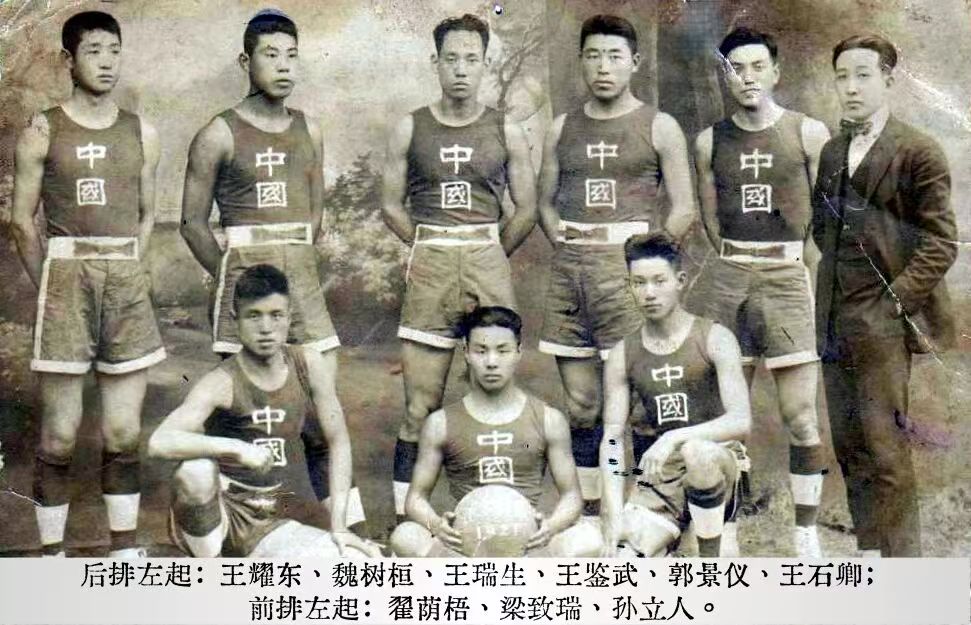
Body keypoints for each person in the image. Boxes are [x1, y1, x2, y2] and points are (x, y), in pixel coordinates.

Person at [178, 9, 364, 529]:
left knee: (319, 415)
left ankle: (349, 530)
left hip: (301, 286)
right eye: (270, 54)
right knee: (244, 415)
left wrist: (291, 267)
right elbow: (191, 224)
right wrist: (236, 284)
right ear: (246, 61)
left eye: (292, 55)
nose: (284, 66)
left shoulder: (310, 130)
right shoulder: (218, 133)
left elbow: (315, 216)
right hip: (246, 281)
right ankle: (223, 529)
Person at [11, 11, 166, 557]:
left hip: (123, 280)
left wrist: (132, 269)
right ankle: (52, 557)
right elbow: (20, 221)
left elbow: (148, 214)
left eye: (114, 50)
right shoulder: (43, 128)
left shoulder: (141, 130)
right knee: (60, 433)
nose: (107, 62)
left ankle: (122, 551)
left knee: (123, 432)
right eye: (94, 50)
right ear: (68, 60)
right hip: (66, 279)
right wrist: (49, 284)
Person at [536, 15, 696, 514]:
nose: (603, 67)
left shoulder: (659, 125)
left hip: (627, 274)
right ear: (581, 61)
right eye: (593, 56)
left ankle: (652, 512)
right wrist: (567, 245)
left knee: (642, 400)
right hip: (572, 273)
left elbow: (684, 209)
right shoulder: (561, 127)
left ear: (635, 62)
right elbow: (544, 203)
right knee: (583, 404)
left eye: (614, 56)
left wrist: (646, 267)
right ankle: (590, 515)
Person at [381, 14, 537, 521]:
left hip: (486, 256)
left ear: (485, 64)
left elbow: (527, 209)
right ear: (436, 62)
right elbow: (391, 205)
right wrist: (429, 248)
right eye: (452, 59)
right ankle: (406, 522)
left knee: (495, 395)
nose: (462, 69)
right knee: (419, 405)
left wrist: (489, 252)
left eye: (472, 59)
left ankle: (497, 518)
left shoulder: (505, 128)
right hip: (431, 265)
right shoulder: (410, 126)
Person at [812, 35, 958, 557]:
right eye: (842, 77)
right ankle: (871, 560)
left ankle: (903, 573)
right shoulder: (832, 150)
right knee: (850, 447)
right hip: (834, 319)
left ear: (888, 79)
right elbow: (822, 229)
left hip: (883, 321)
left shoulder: (917, 150)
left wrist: (894, 302)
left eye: (863, 75)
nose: (851, 87)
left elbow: (941, 242)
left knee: (886, 450)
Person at [694, 27, 831, 556]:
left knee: (800, 414)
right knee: (725, 415)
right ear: (725, 76)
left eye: (757, 66)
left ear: (776, 71)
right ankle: (725, 530)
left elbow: (823, 222)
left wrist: (800, 272)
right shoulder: (709, 141)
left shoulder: (808, 133)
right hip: (731, 277)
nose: (746, 78)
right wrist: (737, 262)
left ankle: (805, 532)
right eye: (735, 69)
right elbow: (711, 220)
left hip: (787, 277)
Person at [148, 265, 377, 557]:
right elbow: (159, 442)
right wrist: (236, 448)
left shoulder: (308, 364)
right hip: (220, 512)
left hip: (267, 519)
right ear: (236, 320)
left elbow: (338, 441)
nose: (266, 328)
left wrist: (341, 526)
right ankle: (209, 565)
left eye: (276, 315)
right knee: (196, 471)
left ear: (289, 317)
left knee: (356, 562)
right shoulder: (221, 381)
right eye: (253, 316)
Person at [389, 307, 601, 557]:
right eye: (481, 351)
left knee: (588, 539)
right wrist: (436, 525)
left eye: (502, 351)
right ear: (466, 352)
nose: (491, 362)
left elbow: (572, 497)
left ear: (518, 352)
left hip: (529, 547)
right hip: (464, 549)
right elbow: (415, 499)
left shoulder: (548, 419)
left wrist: (550, 527)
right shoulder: (440, 423)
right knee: (405, 536)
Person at [600, 233, 751, 558]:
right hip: (662, 474)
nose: (649, 293)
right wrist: (613, 513)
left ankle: (710, 552)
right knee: (622, 563)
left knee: (698, 453)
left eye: (659, 281)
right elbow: (611, 439)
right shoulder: (622, 354)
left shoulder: (715, 337)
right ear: (629, 286)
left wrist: (674, 438)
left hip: (717, 464)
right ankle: (674, 538)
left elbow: (741, 420)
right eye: (639, 283)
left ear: (680, 281)